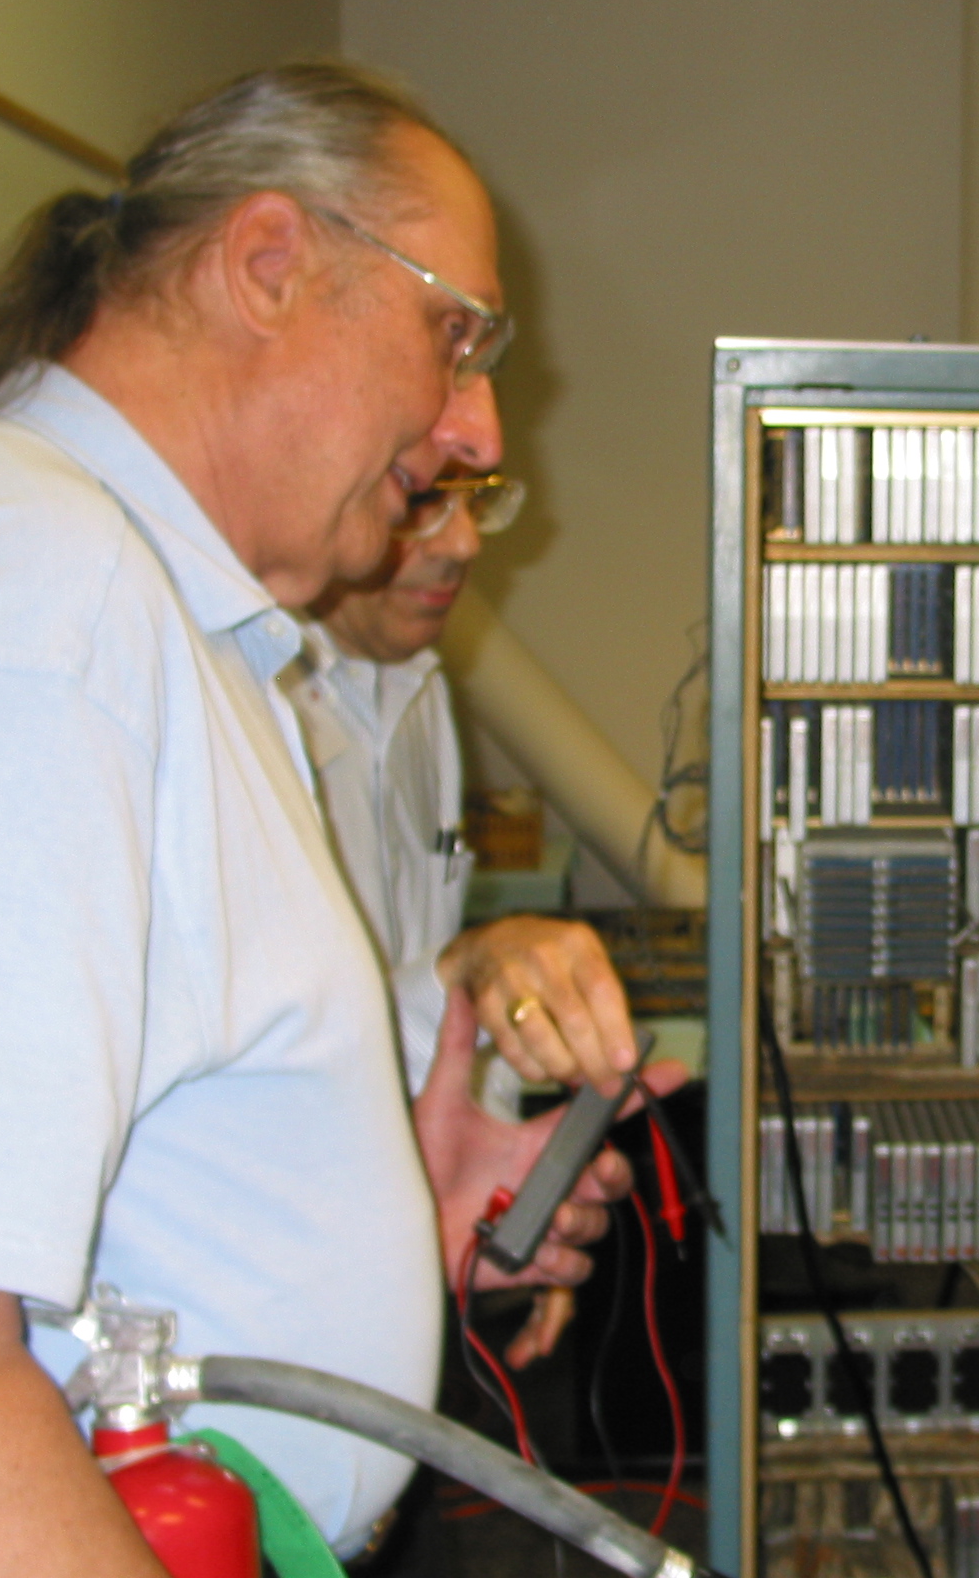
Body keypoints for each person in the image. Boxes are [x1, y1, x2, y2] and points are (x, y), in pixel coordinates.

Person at [0, 62, 667, 1573]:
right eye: (454, 338)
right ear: (269, 265)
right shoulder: (41, 595)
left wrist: (384, 1206)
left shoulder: (173, 622)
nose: (476, 429)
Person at [291, 468, 633, 1367]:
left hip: (409, 1261)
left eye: (477, 500)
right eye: (421, 501)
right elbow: (291, 1051)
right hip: (291, 1282)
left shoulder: (420, 697)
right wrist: (466, 966)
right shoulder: (253, 714)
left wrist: (513, 1198)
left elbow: (458, 1020)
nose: (464, 543)